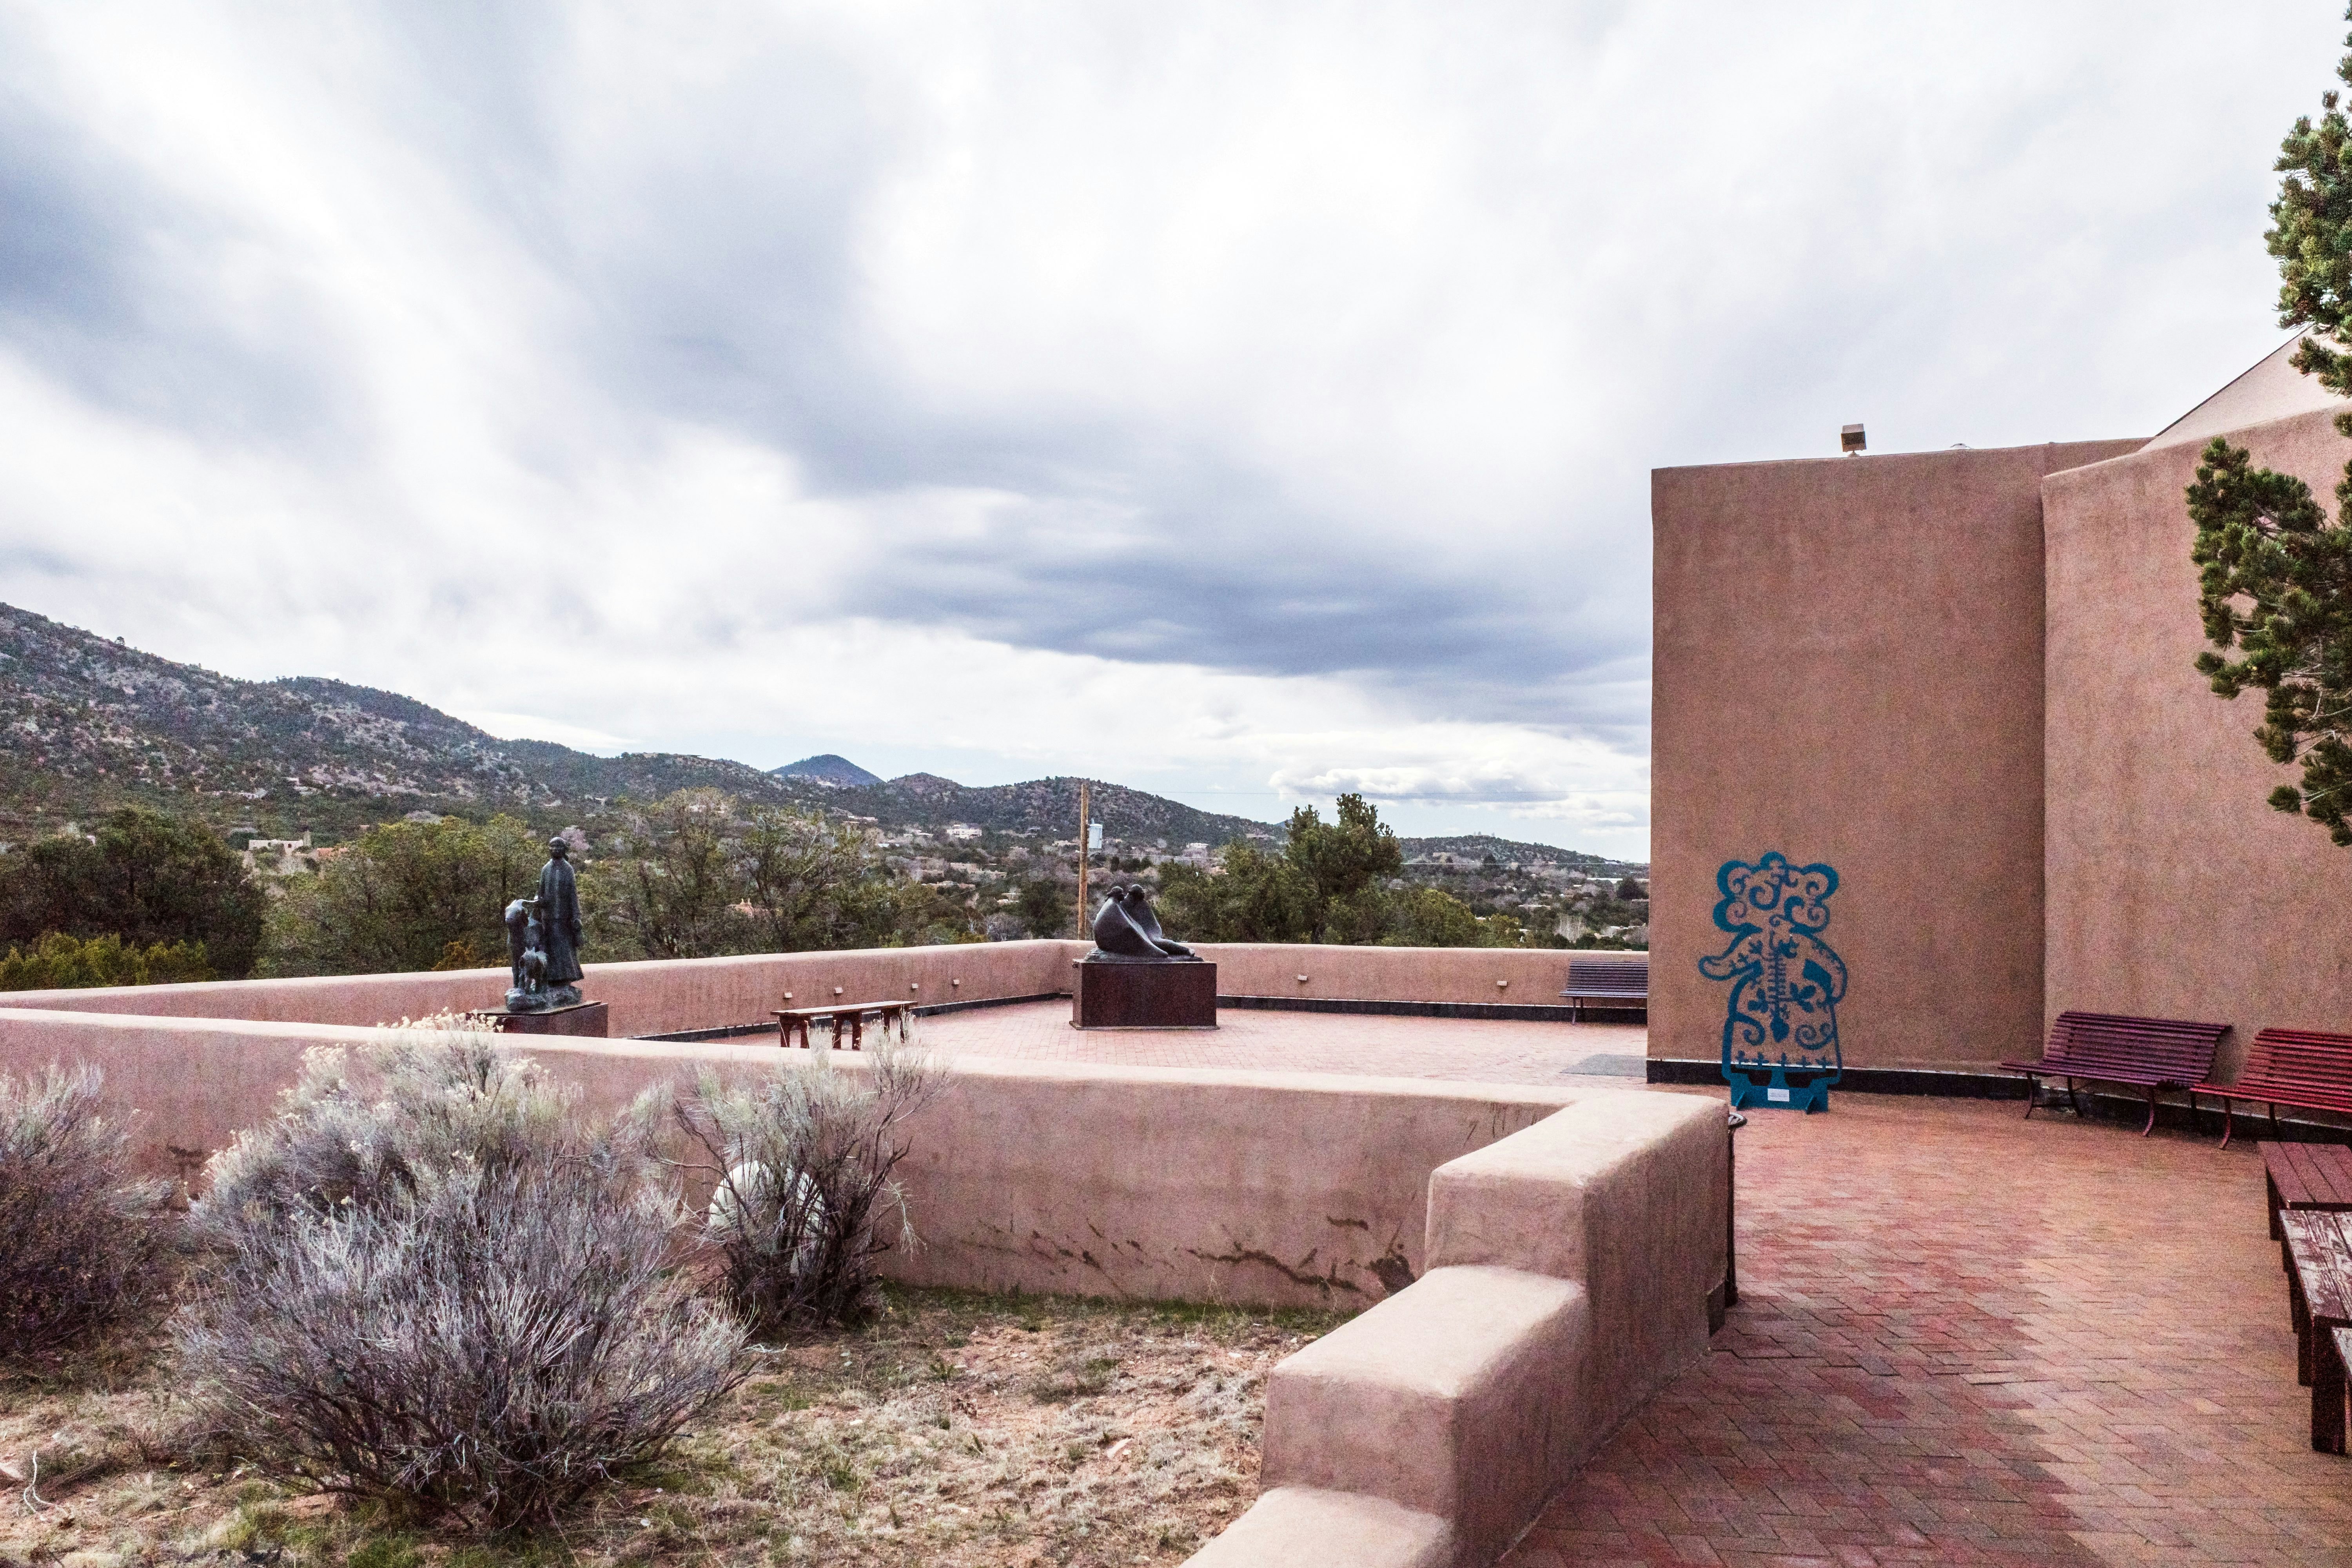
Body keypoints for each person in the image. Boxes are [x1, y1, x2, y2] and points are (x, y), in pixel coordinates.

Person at [536, 837, 584, 1003]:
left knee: (564, 950)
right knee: (549, 949)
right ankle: (550, 979)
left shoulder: (568, 869)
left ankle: (565, 979)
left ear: (564, 849)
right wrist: (539, 901)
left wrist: (576, 917)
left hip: (564, 918)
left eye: (559, 846)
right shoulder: (546, 869)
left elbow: (573, 895)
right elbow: (540, 892)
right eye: (553, 846)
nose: (555, 849)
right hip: (548, 918)